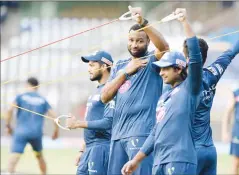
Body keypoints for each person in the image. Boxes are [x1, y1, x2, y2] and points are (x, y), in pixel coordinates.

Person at [121, 8, 202, 175]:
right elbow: (155, 132)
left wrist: (184, 22)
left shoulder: (190, 88)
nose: (161, 73)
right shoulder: (163, 97)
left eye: (165, 69)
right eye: (160, 69)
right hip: (159, 161)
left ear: (179, 69)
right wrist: (136, 160)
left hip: (180, 160)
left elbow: (195, 55)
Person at [100, 6, 169, 175]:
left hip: (143, 133)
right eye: (131, 40)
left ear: (148, 42)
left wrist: (143, 22)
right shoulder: (120, 66)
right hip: (117, 135)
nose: (134, 45)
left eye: (140, 41)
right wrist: (126, 72)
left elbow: (165, 48)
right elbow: (104, 97)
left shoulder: (153, 60)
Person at [183, 22, 239, 174]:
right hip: (209, 149)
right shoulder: (213, 73)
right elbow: (231, 52)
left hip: (191, 150)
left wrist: (184, 21)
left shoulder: (184, 80)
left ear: (188, 59)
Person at [65, 51, 115, 175]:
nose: (88, 69)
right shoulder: (96, 91)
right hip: (89, 149)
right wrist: (82, 151)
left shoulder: (111, 90)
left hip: (102, 147)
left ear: (104, 67)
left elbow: (108, 122)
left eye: (92, 65)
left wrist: (77, 124)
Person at [5, 77, 59, 175]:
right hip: (36, 133)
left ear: (27, 85)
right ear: (37, 87)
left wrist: (8, 125)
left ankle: (9, 173)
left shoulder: (20, 97)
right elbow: (54, 116)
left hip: (21, 132)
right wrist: (56, 131)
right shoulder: (42, 100)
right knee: (39, 156)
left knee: (15, 155)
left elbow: (9, 110)